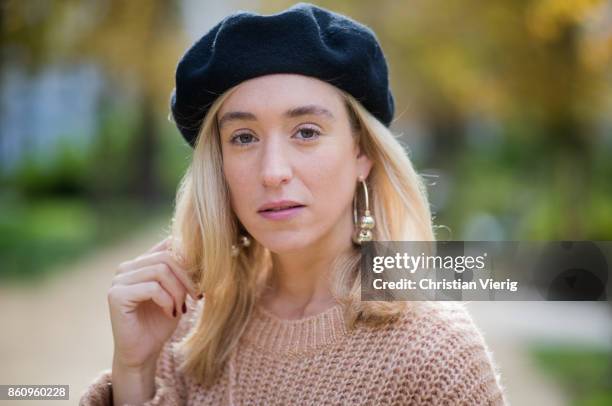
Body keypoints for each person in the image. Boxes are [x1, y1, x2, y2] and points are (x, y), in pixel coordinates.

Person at [80, 2, 507, 405]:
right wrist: (134, 371)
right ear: (220, 167)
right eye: (243, 138)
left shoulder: (436, 353)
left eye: (306, 131)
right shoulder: (186, 336)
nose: (272, 171)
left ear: (363, 154)